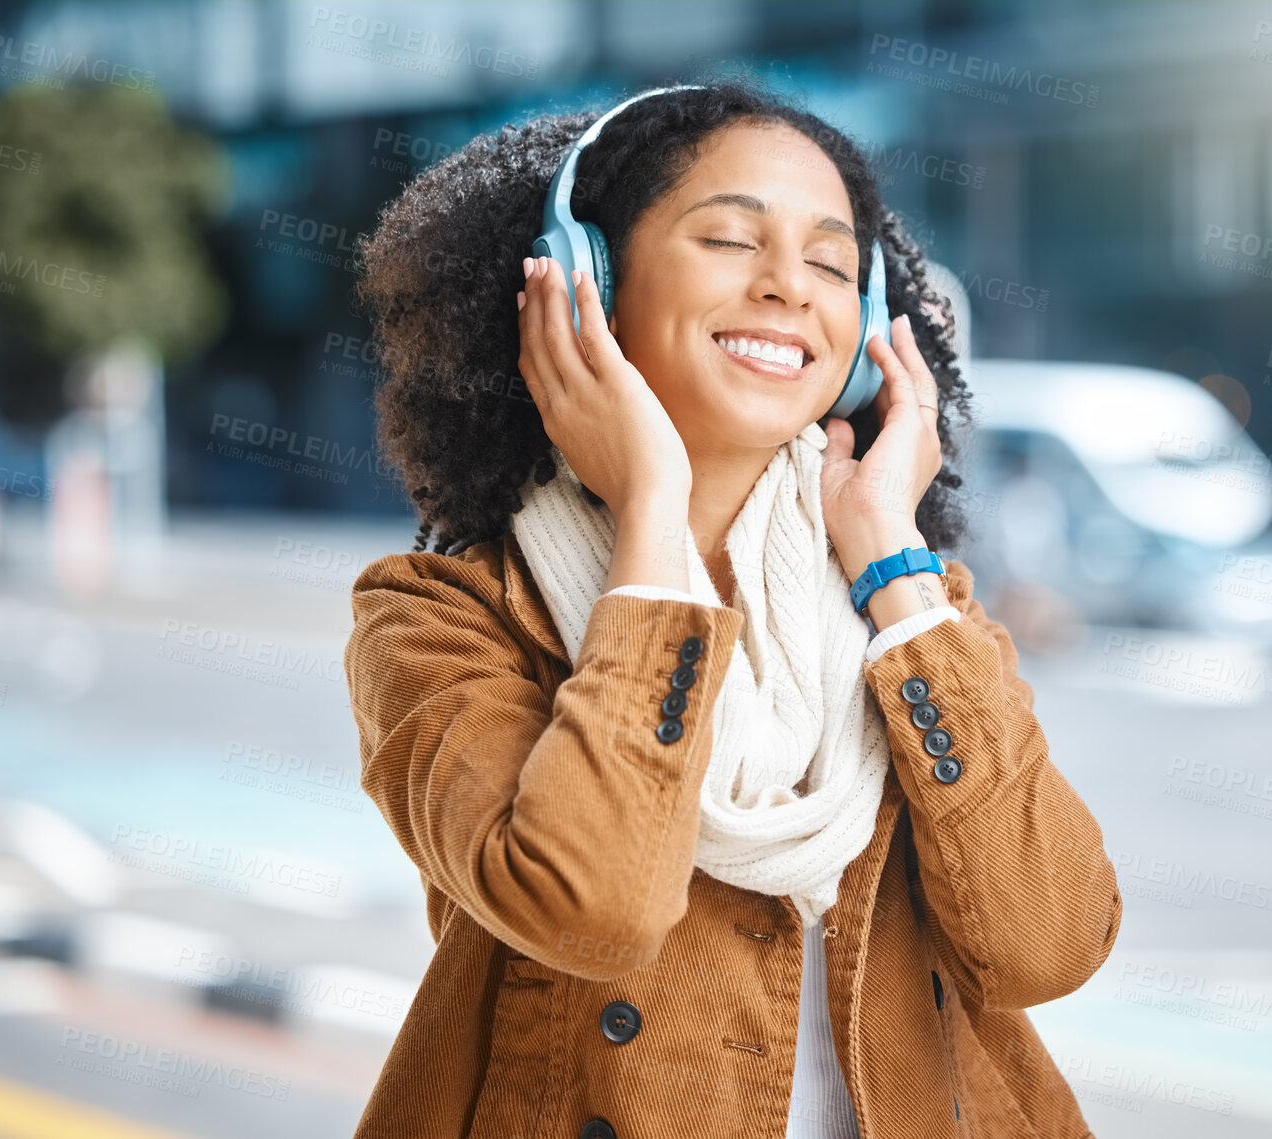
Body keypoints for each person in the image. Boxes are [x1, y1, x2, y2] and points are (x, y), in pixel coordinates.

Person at [345, 80, 1121, 1139]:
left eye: (832, 263)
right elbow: (592, 906)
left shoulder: (915, 617)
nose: (788, 287)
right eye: (728, 238)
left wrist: (891, 557)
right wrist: (651, 515)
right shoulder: (442, 617)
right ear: (588, 280)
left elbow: (1047, 942)